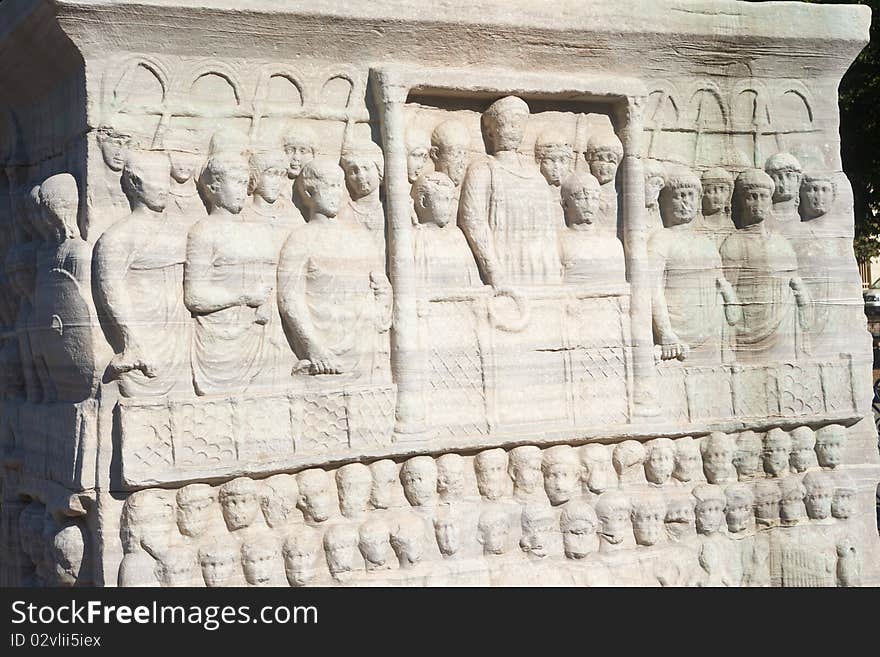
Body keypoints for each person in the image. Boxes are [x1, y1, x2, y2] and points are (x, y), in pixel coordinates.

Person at [277, 159, 391, 382]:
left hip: (364, 344)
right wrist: (313, 347)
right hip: (322, 354)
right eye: (328, 186)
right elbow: (289, 298)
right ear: (309, 193)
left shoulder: (360, 237)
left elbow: (381, 285)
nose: (336, 193)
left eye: (339, 186)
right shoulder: (300, 239)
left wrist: (382, 299)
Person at [95, 151, 191, 397]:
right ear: (135, 183)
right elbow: (111, 289)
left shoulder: (180, 229)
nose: (164, 188)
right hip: (144, 334)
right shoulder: (119, 236)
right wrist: (133, 339)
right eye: (156, 180)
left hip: (179, 332)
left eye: (165, 180)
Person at [185, 148, 279, 395]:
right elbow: (194, 296)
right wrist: (244, 297)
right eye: (235, 183)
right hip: (220, 340)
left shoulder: (258, 231)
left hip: (260, 335)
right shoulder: (204, 231)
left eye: (245, 183)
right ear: (213, 188)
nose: (243, 190)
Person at [458, 96, 562, 286]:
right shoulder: (483, 170)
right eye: (507, 124)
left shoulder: (536, 176)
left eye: (519, 124)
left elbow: (549, 231)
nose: (514, 130)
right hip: (504, 264)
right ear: (490, 132)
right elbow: (473, 220)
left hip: (541, 268)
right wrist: (493, 270)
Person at [649, 166, 740, 365]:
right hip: (677, 338)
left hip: (712, 332)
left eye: (690, 196)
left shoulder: (706, 242)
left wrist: (731, 302)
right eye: (679, 196)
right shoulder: (661, 239)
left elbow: (720, 282)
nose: (685, 202)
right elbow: (652, 288)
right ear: (664, 202)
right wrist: (665, 333)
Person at [720, 168, 810, 364]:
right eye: (752, 197)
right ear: (742, 202)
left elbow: (795, 286)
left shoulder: (782, 243)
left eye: (763, 197)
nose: (758, 203)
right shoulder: (733, 243)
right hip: (747, 330)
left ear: (770, 201)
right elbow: (728, 294)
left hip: (782, 330)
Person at [411, 172, 480, 290]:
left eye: (450, 201)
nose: (449, 207)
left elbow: (473, 280)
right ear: (424, 201)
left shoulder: (457, 236)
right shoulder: (416, 237)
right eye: (443, 200)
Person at [557, 171, 626, 286]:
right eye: (581, 198)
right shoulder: (558, 242)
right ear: (565, 204)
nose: (589, 204)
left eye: (594, 198)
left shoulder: (613, 243)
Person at [338, 141, 385, 236]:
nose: (361, 176)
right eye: (353, 171)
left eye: (366, 168)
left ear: (379, 170)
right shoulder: (345, 214)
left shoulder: (389, 209)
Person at [583, 133, 623, 232]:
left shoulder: (622, 196)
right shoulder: (583, 195)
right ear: (590, 161)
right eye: (599, 159)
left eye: (611, 161)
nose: (604, 166)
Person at [764, 152, 803, 237]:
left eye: (789, 176)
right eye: (778, 177)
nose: (784, 183)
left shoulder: (804, 223)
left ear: (798, 180)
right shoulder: (762, 219)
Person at [695, 167, 735, 247]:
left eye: (723, 190)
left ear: (729, 195)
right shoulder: (696, 227)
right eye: (711, 190)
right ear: (702, 195)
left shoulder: (732, 229)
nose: (717, 196)